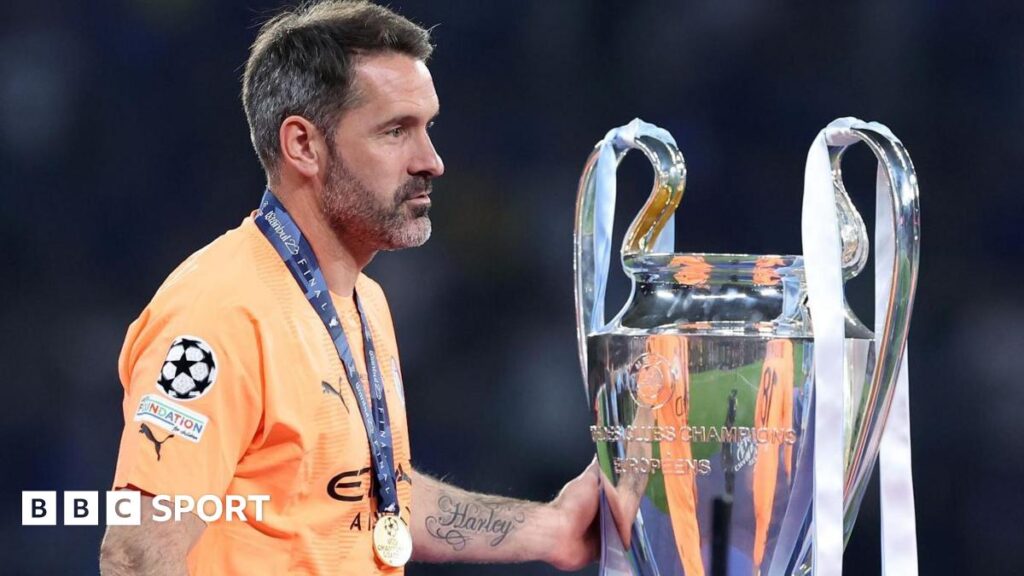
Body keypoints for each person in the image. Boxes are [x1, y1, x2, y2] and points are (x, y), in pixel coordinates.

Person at [98, 1, 599, 574]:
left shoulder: (365, 301)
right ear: (303, 146)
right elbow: (137, 552)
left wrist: (550, 527)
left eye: (428, 127)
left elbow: (370, 497)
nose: (431, 161)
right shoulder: (220, 313)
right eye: (395, 131)